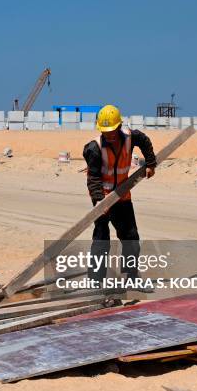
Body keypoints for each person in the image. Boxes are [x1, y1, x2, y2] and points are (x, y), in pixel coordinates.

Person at [82, 105, 157, 283]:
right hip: (103, 198)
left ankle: (131, 277)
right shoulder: (94, 148)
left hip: (123, 196)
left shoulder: (131, 137)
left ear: (119, 126)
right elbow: (93, 179)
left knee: (131, 238)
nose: (109, 135)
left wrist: (151, 163)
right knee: (101, 240)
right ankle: (96, 281)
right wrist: (101, 203)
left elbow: (145, 141)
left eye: (112, 131)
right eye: (106, 132)